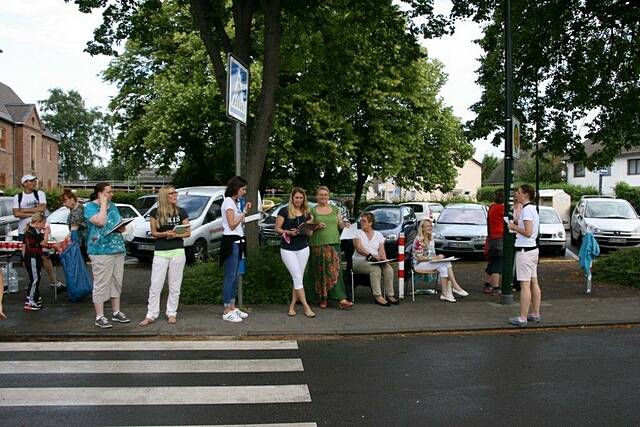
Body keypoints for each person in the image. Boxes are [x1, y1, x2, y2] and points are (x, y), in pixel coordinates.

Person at [139, 186, 190, 326]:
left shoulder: (182, 211)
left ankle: (172, 312)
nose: (175, 195)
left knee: (175, 285)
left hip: (177, 251)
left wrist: (176, 234)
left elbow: (187, 232)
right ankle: (151, 314)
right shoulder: (155, 212)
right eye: (171, 193)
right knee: (155, 284)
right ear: (164, 196)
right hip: (161, 251)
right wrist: (164, 234)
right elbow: (154, 232)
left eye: (175, 192)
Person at [84, 182, 130, 329]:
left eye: (111, 192)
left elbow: (116, 223)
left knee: (117, 281)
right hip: (100, 250)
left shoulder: (114, 206)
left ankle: (116, 312)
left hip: (117, 248)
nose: (112, 194)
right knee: (101, 282)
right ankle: (100, 316)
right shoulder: (90, 207)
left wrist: (121, 227)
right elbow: (100, 222)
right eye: (109, 192)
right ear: (100, 193)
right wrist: (103, 204)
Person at [12, 175, 64, 290]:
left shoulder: (39, 194)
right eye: (31, 181)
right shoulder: (18, 197)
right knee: (28, 257)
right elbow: (16, 214)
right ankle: (33, 281)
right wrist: (34, 213)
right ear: (24, 183)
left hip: (39, 229)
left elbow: (42, 209)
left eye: (34, 180)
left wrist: (24, 210)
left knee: (45, 256)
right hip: (24, 231)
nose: (34, 182)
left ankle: (53, 281)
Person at [307, 186, 353, 309]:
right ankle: (323, 299)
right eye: (321, 194)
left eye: (325, 195)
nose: (323, 197)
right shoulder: (312, 211)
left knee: (335, 272)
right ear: (316, 196)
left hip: (334, 243)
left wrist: (346, 225)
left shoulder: (335, 209)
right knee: (320, 272)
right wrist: (316, 226)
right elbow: (308, 228)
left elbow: (340, 224)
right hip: (317, 244)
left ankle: (341, 299)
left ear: (329, 196)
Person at [274, 187, 316, 318]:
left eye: (301, 197)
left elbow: (310, 233)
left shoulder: (307, 212)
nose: (298, 200)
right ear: (292, 198)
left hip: (303, 247)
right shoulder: (284, 211)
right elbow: (277, 229)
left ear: (304, 199)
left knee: (298, 278)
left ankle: (292, 306)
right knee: (297, 277)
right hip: (288, 248)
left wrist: (311, 226)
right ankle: (306, 307)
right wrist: (288, 232)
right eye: (296, 197)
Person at [508, 184, 541, 327]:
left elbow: (527, 232)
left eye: (519, 192)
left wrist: (514, 227)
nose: (517, 194)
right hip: (533, 250)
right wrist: (517, 223)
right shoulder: (533, 209)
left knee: (525, 285)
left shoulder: (527, 211)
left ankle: (522, 318)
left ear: (526, 194)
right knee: (534, 283)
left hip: (524, 251)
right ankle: (535, 313)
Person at [219, 176, 251, 323]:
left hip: (238, 240)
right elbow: (232, 224)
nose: (244, 192)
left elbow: (238, 221)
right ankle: (226, 309)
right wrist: (243, 214)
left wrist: (244, 211)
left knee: (235, 276)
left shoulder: (234, 203)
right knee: (230, 277)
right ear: (237, 188)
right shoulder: (228, 202)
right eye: (243, 189)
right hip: (231, 241)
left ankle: (232, 306)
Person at [412, 219, 468, 303]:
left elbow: (432, 254)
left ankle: (445, 294)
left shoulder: (431, 238)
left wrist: (438, 257)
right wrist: (433, 258)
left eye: (431, 226)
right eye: (427, 226)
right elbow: (418, 257)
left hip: (429, 263)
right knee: (447, 263)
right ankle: (455, 286)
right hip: (419, 264)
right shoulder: (419, 240)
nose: (430, 228)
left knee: (444, 268)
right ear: (422, 228)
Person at [352, 212, 397, 306]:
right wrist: (371, 256)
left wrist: (383, 259)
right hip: (360, 261)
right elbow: (359, 249)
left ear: (370, 223)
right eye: (361, 221)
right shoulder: (357, 233)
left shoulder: (378, 235)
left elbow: (382, 250)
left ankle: (390, 295)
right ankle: (378, 296)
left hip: (375, 260)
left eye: (364, 221)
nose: (361, 223)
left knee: (388, 269)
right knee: (375, 269)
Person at [21, 213, 48, 311]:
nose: (44, 226)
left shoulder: (27, 231)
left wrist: (23, 258)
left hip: (29, 257)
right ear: (37, 222)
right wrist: (46, 233)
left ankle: (33, 297)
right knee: (35, 279)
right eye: (43, 223)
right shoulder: (35, 232)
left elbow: (24, 245)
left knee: (35, 277)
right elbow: (43, 243)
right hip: (33, 257)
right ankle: (30, 301)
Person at [484, 189, 505, 295]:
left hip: (492, 238)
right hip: (500, 238)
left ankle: (487, 284)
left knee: (492, 261)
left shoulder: (491, 208)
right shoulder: (503, 209)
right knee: (498, 262)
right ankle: (495, 287)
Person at [61, 188, 87, 258]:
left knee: (79, 262)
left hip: (81, 242)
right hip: (80, 241)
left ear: (72, 199)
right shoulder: (74, 208)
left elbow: (74, 227)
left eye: (65, 201)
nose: (64, 204)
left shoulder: (78, 210)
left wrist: (68, 237)